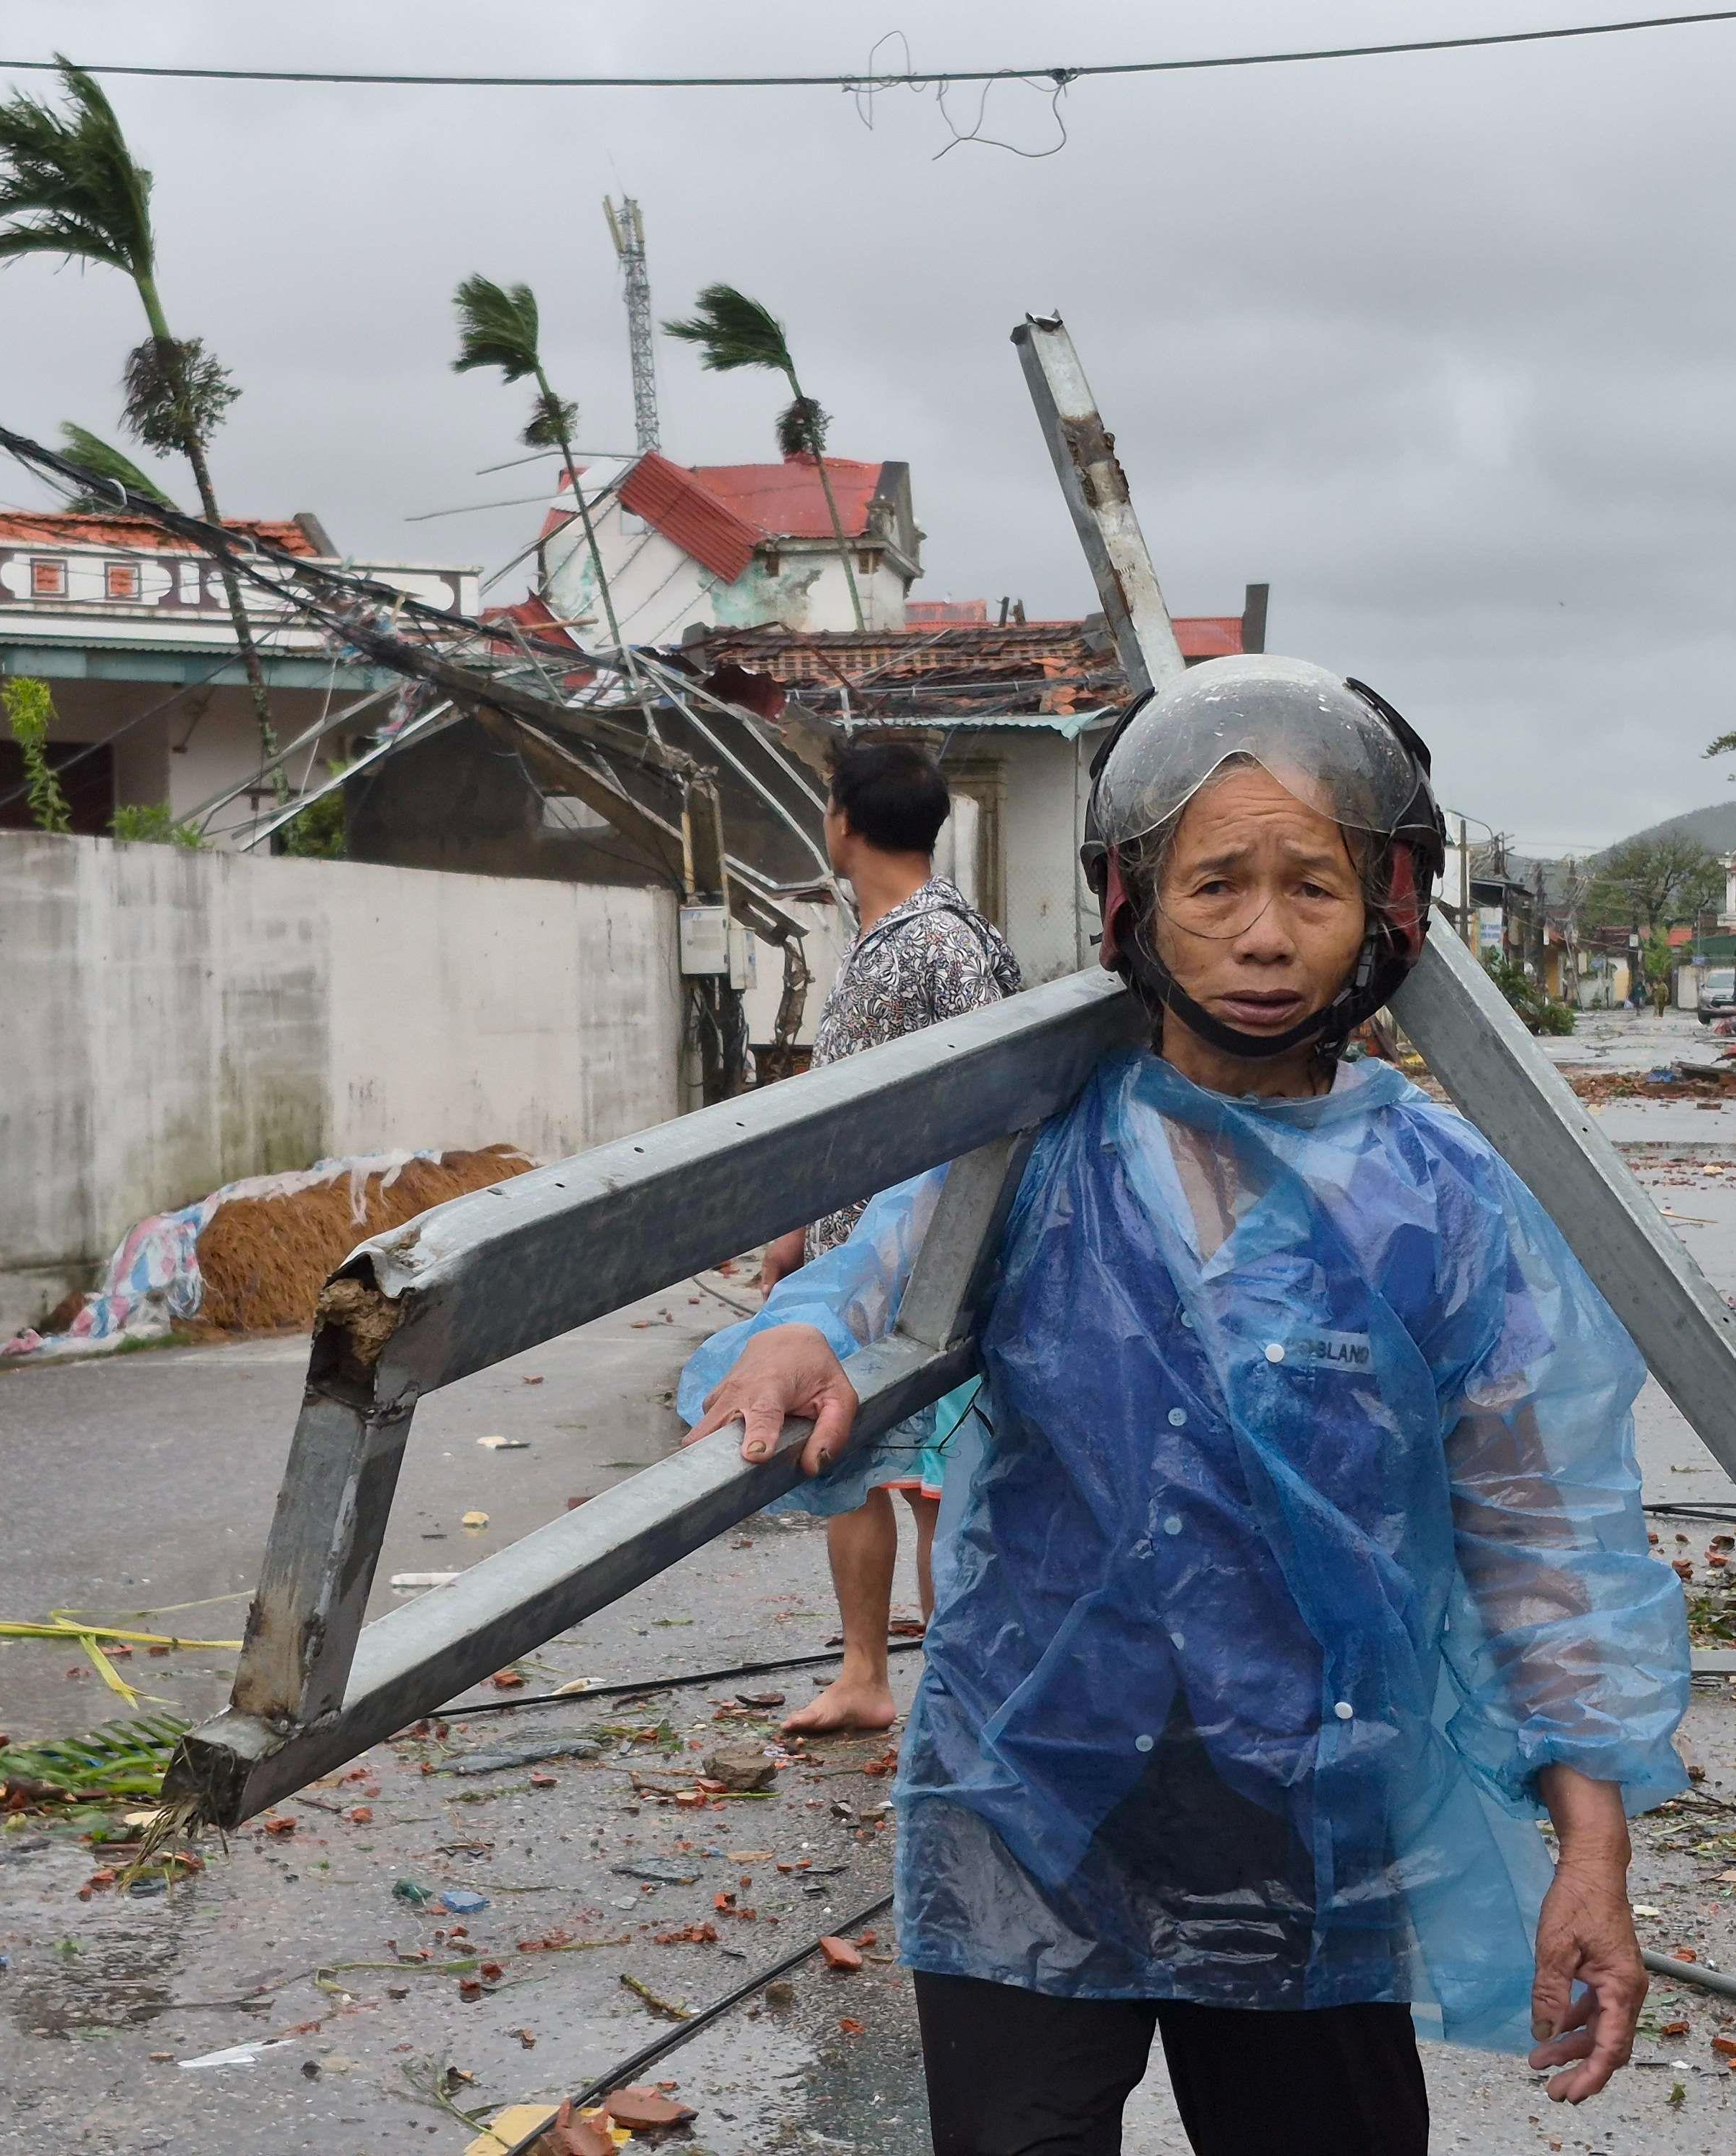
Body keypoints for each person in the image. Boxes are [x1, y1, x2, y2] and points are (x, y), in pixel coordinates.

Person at [683, 656, 1685, 2153]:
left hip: (1309, 1830)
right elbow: (865, 1276)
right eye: (1214, 884)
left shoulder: (1441, 1205)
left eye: (1312, 888)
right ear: (1131, 906)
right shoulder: (1026, 1147)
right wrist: (798, 1340)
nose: (1264, 938)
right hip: (1032, 1808)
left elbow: (1544, 1535)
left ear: (1384, 914)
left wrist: (1591, 1850)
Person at [754, 737, 1021, 1734]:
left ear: (844, 823)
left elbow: (999, 1103)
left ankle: (954, 1701)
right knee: (855, 1466)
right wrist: (797, 1231)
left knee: (936, 1483)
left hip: (924, 1265)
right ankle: (867, 1675)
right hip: (852, 1259)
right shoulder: (889, 939)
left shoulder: (940, 944)